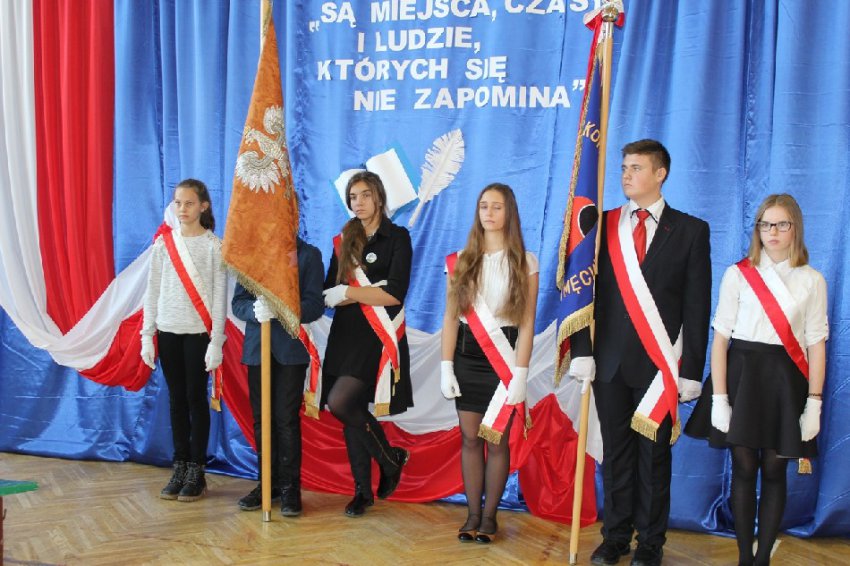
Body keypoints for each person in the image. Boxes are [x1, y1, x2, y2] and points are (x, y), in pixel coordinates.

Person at [568, 140, 711, 566]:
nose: (626, 175)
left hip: (659, 367)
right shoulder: (603, 224)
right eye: (624, 168)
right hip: (609, 363)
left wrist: (691, 371)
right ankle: (615, 537)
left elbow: (697, 306)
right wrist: (582, 349)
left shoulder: (690, 231)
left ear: (660, 173)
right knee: (616, 457)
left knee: (654, 459)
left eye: (636, 168)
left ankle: (650, 543)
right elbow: (582, 291)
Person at [685, 194, 828, 566]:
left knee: (776, 469)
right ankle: (743, 557)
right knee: (745, 468)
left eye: (781, 224)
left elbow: (816, 344)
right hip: (741, 378)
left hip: (785, 383)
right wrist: (719, 399)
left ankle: (763, 556)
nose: (772, 232)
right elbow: (721, 339)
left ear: (795, 228)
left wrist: (814, 402)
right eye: (766, 224)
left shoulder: (812, 280)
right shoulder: (738, 274)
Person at [440, 183, 539, 544]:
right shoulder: (461, 260)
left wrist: (521, 374)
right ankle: (471, 514)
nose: (489, 213)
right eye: (484, 206)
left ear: (509, 212)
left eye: (497, 207)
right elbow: (450, 317)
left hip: (505, 362)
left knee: (496, 441)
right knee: (469, 438)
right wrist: (446, 366)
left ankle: (490, 517)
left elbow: (526, 323)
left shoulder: (526, 262)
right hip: (467, 357)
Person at [321, 171, 413, 517]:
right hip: (345, 334)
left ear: (378, 197)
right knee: (350, 409)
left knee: (341, 402)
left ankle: (389, 459)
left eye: (364, 195)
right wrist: (353, 293)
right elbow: (329, 291)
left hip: (377, 335)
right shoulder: (345, 238)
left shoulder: (397, 237)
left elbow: (394, 293)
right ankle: (364, 488)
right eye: (352, 197)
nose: (358, 203)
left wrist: (349, 291)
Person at [141, 178, 227, 502]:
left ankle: (196, 469)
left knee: (195, 398)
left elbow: (219, 297)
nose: (182, 209)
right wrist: (147, 335)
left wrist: (216, 341)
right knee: (176, 400)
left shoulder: (214, 246)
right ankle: (179, 465)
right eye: (178, 203)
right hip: (168, 331)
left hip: (198, 334)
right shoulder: (164, 244)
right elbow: (152, 291)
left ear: (203, 206)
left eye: (189, 203)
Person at [231, 235, 324, 516]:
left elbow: (314, 305)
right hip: (258, 349)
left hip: (290, 351)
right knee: (262, 421)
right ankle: (267, 484)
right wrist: (253, 310)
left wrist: (284, 309)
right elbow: (238, 303)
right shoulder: (253, 253)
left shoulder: (308, 255)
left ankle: (289, 488)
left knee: (286, 420)